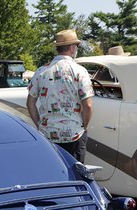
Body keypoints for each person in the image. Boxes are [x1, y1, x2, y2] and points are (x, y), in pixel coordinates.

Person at [26, 29, 94, 163]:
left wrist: (40, 124)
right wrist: (84, 126)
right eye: (76, 46)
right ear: (71, 47)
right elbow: (88, 106)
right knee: (75, 176)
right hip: (74, 134)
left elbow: (30, 103)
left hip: (48, 134)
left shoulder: (41, 72)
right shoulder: (80, 71)